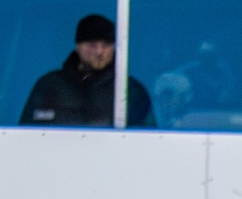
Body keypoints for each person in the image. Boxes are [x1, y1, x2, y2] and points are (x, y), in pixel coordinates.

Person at [19, 14, 154, 127]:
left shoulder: (129, 90)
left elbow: (145, 140)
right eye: (92, 45)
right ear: (78, 46)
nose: (99, 52)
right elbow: (26, 133)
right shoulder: (49, 85)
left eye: (106, 45)